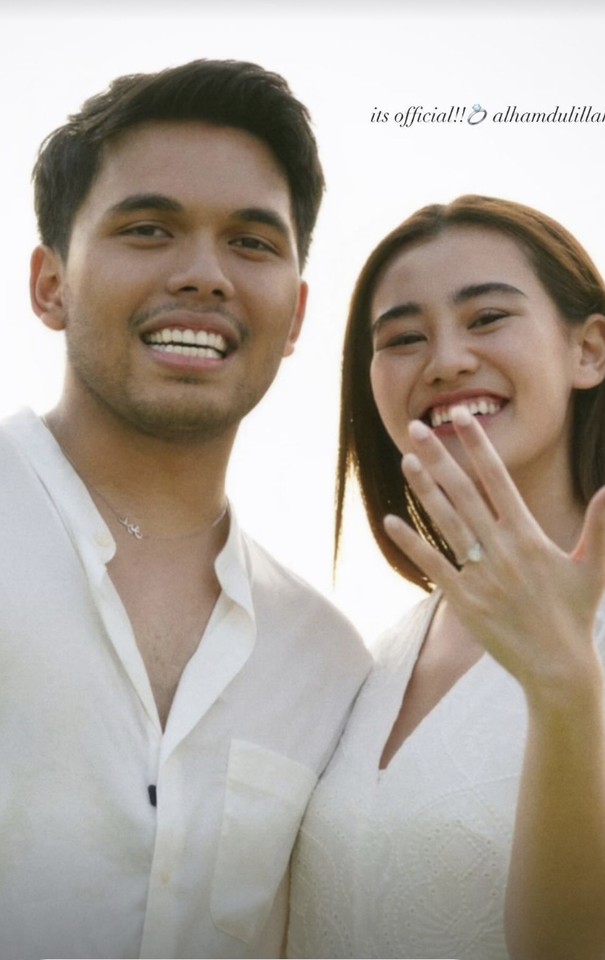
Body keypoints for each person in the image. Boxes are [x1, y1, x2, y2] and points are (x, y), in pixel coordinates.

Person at [0, 59, 370, 960]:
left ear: (296, 317)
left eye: (252, 242)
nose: (205, 276)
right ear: (50, 284)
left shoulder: (327, 662)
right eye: (149, 229)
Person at [288, 195, 605, 960]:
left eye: (487, 318)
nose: (446, 360)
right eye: (403, 338)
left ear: (588, 351)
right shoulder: (379, 655)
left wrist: (562, 685)